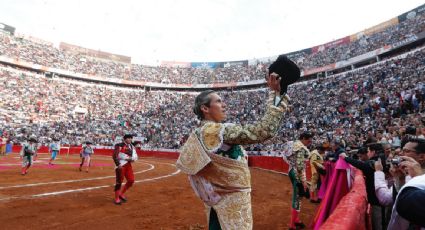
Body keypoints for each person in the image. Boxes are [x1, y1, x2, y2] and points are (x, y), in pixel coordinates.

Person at [176, 55, 298, 230]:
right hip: (230, 203)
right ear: (205, 109)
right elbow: (264, 130)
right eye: (218, 101)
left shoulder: (202, 132)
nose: (224, 105)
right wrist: (275, 94)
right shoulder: (214, 131)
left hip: (217, 202)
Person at [388, 136, 425, 229]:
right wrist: (400, 180)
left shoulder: (417, 177)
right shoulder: (409, 174)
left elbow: (416, 203)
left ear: (422, 157)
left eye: (406, 151)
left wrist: (418, 178)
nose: (400, 154)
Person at [286, 131, 313, 229]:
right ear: (303, 138)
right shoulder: (301, 148)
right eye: (308, 141)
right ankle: (292, 225)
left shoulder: (292, 144)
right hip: (297, 174)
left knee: (299, 197)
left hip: (291, 170)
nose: (309, 143)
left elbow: (285, 157)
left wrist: (291, 165)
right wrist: (304, 181)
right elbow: (300, 166)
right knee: (297, 198)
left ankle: (296, 220)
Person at [112, 134, 138, 205]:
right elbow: (115, 155)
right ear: (124, 139)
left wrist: (128, 158)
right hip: (121, 165)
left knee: (131, 180)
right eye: (128, 138)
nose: (130, 139)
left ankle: (121, 194)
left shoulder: (132, 147)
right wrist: (118, 164)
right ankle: (117, 198)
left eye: (130, 138)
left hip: (128, 165)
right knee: (119, 182)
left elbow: (135, 157)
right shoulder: (119, 145)